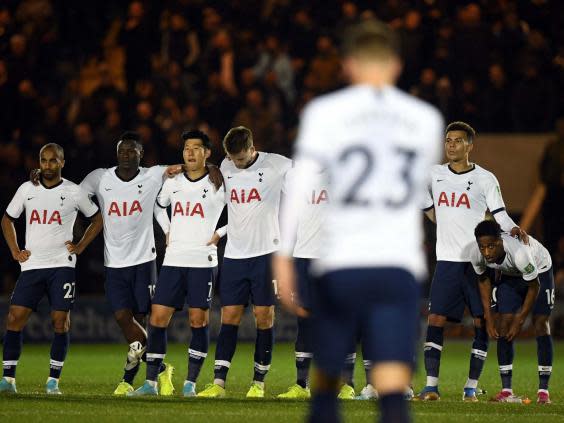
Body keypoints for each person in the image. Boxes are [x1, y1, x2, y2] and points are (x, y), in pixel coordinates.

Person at [275, 19, 443, 423]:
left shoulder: (324, 112)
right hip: (397, 265)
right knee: (391, 387)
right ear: (397, 65)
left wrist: (283, 256)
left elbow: (300, 185)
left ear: (348, 65)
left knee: (328, 383)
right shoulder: (425, 119)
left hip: (342, 262)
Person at [79, 131, 222, 395]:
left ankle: (160, 381)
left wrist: (219, 233)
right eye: (122, 150)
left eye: (132, 150)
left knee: (183, 319)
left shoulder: (158, 175)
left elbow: (233, 207)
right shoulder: (101, 178)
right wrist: (168, 230)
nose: (126, 155)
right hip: (135, 261)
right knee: (136, 319)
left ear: (140, 154)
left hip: (157, 260)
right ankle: (157, 374)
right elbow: (73, 195)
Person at [418, 121, 527, 402]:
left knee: (482, 322)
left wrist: (513, 228)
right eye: (448, 140)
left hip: (479, 264)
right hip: (447, 261)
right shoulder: (434, 174)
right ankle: (431, 386)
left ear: (470, 145)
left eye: (457, 140)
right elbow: (423, 201)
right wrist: (437, 218)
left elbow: (500, 215)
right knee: (436, 319)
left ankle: (470, 387)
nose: (451, 145)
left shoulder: (485, 179)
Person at [127, 130, 226, 397]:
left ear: (207, 152)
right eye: (186, 148)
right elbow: (159, 207)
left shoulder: (220, 181)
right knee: (157, 318)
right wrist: (167, 229)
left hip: (202, 261)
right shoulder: (173, 181)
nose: (190, 152)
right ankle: (151, 383)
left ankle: (190, 384)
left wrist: (219, 233)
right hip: (173, 260)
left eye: (196, 148)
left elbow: (241, 212)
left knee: (198, 321)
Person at [197, 126, 292, 399]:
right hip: (235, 256)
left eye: (241, 159)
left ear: (252, 148)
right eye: (231, 159)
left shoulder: (277, 165)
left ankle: (258, 384)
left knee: (264, 317)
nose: (236, 164)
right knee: (229, 317)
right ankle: (218, 383)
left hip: (266, 254)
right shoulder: (226, 165)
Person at [0, 143, 102, 394]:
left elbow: (98, 219)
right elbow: (7, 219)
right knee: (15, 318)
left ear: (62, 163)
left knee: (60, 321)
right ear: (39, 162)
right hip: (32, 265)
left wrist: (79, 246)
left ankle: (53, 381)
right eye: (43, 160)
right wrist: (15, 250)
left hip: (61, 265)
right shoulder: (27, 189)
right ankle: (8, 379)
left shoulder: (74, 191)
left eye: (53, 160)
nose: (47, 165)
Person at [471, 219, 554, 404]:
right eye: (482, 247)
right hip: (510, 275)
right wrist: (489, 317)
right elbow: (483, 280)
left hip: (539, 271)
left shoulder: (520, 254)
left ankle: (543, 392)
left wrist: (520, 320)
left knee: (540, 323)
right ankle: (506, 390)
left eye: (491, 246)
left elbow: (534, 286)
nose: (486, 252)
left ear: (500, 241)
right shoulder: (476, 253)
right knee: (503, 325)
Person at [277, 167, 328, 400]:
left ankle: (345, 384)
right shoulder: (294, 175)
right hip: (303, 255)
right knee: (304, 319)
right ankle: (301, 384)